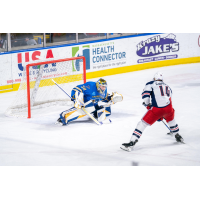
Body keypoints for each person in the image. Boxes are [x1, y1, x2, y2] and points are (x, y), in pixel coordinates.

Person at [121, 72, 184, 152]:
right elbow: (168, 99)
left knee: (142, 124)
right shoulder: (167, 86)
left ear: (154, 78)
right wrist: (164, 113)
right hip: (169, 108)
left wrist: (148, 105)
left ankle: (132, 142)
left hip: (157, 110)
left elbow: (146, 96)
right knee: (171, 120)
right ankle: (177, 135)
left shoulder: (151, 83)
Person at [56, 78, 123, 126]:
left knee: (107, 110)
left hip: (94, 104)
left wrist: (111, 98)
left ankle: (96, 114)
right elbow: (76, 89)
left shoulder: (104, 91)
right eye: (102, 86)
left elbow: (104, 98)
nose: (104, 88)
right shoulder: (90, 86)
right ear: (98, 85)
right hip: (84, 103)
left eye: (105, 87)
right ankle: (64, 116)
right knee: (89, 108)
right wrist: (77, 98)